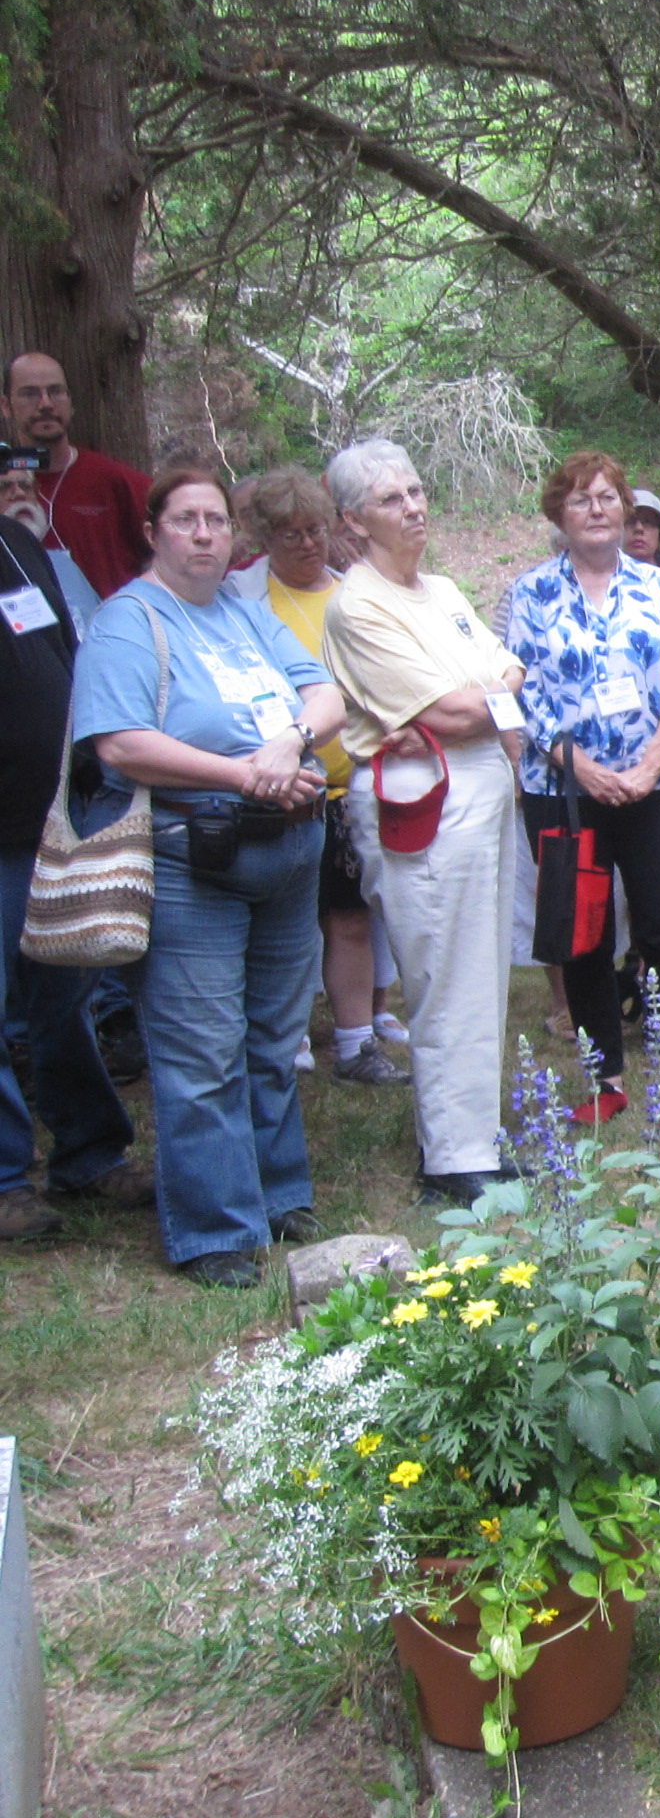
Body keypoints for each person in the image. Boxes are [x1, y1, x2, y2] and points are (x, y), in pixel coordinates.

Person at [70, 467, 348, 1286]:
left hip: (288, 849)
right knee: (202, 1052)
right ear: (154, 532)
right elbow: (119, 743)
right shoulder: (128, 622)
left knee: (273, 1036)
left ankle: (277, 1193)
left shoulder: (239, 609)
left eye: (217, 521)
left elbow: (325, 692)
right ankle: (214, 1230)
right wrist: (244, 775)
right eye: (186, 520)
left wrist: (289, 744)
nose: (203, 534)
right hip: (194, 855)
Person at [323, 440, 532, 1200]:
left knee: (485, 968)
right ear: (353, 522)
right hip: (422, 795)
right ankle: (451, 1158)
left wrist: (487, 701)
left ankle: (480, 1137)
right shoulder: (358, 605)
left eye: (416, 491)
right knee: (442, 967)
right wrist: (484, 701)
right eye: (391, 499)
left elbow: (510, 672)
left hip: (485, 782)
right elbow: (450, 709)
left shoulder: (441, 591)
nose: (413, 507)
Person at [506, 452, 660, 1130]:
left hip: (656, 784)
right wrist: (584, 770)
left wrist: (649, 767)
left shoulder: (657, 587)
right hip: (563, 790)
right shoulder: (531, 594)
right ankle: (606, 1082)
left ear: (627, 510)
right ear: (558, 516)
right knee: (582, 934)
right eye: (580, 499)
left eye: (608, 497)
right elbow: (523, 694)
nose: (596, 508)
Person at [0, 458, 144, 1241]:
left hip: (50, 815)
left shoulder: (22, 550)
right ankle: (4, 1177)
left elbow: (69, 654)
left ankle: (88, 1152)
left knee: (64, 992)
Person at [235, 468, 410, 1088]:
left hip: (348, 784)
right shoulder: (242, 600)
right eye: (289, 535)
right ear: (263, 538)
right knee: (280, 924)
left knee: (351, 917)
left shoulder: (350, 596)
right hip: (276, 789)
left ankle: (356, 1041)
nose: (307, 544)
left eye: (315, 530)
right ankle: (278, 1039)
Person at [4, 350, 150, 625]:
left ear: (71, 402)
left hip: (116, 644)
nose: (45, 404)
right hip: (30, 651)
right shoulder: (5, 486)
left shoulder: (115, 480)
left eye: (56, 392)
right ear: (5, 406)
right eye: (29, 394)